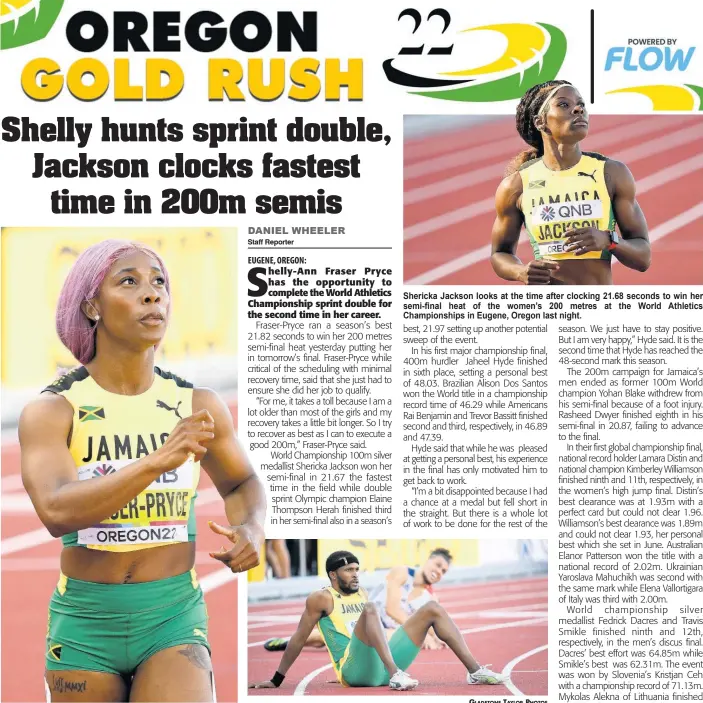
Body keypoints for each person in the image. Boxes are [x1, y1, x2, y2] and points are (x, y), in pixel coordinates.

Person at [19, 239, 266, 702]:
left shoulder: (197, 405)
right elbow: (56, 511)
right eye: (128, 282)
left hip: (172, 616)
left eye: (159, 283)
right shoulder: (54, 410)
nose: (152, 294)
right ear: (92, 306)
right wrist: (156, 461)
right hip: (86, 623)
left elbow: (242, 483)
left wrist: (252, 526)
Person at [250, 551, 506, 691]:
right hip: (354, 670)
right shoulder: (321, 598)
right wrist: (276, 680)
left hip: (378, 664)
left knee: (431, 609)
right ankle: (396, 675)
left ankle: (476, 671)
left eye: (356, 569)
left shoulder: (359, 592)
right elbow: (298, 638)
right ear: (333, 574)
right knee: (372, 609)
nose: (355, 574)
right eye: (348, 570)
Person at [491, 80, 651, 285]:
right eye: (564, 105)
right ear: (540, 122)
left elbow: (643, 257)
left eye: (581, 105)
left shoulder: (610, 173)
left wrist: (611, 240)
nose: (578, 109)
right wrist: (520, 272)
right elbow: (500, 254)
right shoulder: (516, 185)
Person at [263, 547, 452, 652]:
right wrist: (424, 635)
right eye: (437, 565)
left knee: (395, 636)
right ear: (428, 560)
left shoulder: (430, 597)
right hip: (368, 618)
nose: (438, 572)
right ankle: (291, 642)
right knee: (325, 638)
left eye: (443, 571)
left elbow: (429, 623)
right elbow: (392, 610)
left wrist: (436, 638)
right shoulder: (402, 573)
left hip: (391, 630)